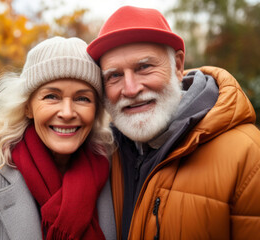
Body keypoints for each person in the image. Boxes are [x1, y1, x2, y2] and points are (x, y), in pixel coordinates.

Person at [86, 6, 260, 240]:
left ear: (178, 66)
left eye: (144, 67)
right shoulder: (103, 155)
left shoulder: (249, 157)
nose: (130, 89)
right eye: (114, 75)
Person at [0, 36, 117, 240]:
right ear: (28, 107)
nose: (67, 113)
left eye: (82, 98)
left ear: (96, 111)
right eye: (52, 96)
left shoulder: (115, 174)